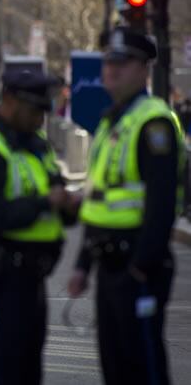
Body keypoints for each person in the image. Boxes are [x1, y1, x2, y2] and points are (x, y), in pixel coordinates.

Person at [67, 27, 185, 385]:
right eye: (109, 63)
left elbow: (162, 204)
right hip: (110, 263)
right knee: (114, 365)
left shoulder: (153, 122)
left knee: (143, 365)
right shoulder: (111, 121)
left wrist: (139, 268)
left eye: (123, 63)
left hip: (138, 266)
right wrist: (82, 265)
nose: (112, 70)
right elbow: (98, 201)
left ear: (143, 69)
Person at [0, 69, 79, 385]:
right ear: (9, 101)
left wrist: (68, 204)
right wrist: (45, 203)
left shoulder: (37, 146)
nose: (41, 118)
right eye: (35, 110)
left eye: (44, 110)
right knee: (1, 373)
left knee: (28, 373)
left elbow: (57, 201)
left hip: (32, 279)